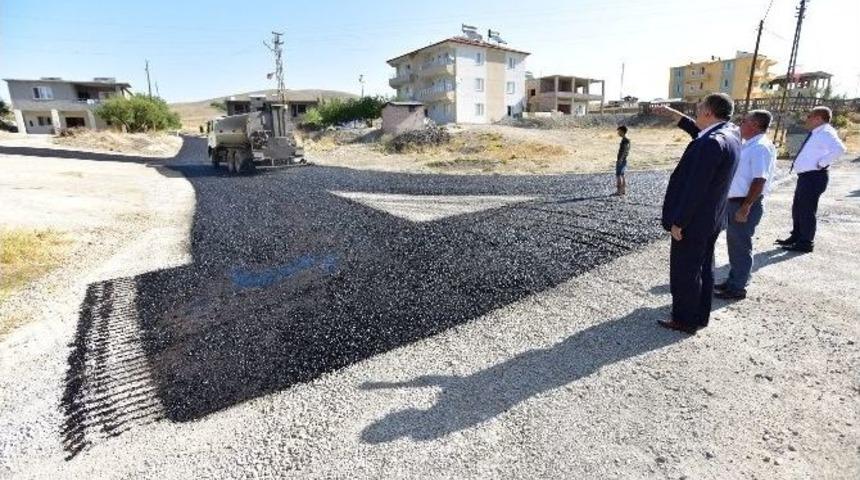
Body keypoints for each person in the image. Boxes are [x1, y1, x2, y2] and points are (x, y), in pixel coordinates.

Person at [653, 94, 741, 334]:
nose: (697, 112)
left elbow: (695, 189)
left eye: (699, 108)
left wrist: (679, 222)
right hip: (712, 218)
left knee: (685, 271)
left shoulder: (711, 143)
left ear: (708, 113)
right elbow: (699, 133)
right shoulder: (730, 133)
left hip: (694, 221)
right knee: (704, 267)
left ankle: (684, 319)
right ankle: (700, 315)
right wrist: (675, 115)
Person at [713, 110, 777, 300]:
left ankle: (737, 287)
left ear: (755, 125)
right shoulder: (751, 144)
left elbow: (760, 180)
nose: (740, 124)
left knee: (741, 246)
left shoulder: (760, 147)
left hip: (744, 203)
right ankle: (734, 281)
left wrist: (746, 206)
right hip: (737, 202)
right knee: (735, 245)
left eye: (744, 121)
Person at [776, 106, 847, 253]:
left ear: (819, 118)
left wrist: (821, 163)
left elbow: (840, 149)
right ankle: (796, 236)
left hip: (814, 177)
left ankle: (806, 242)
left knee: (807, 210)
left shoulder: (826, 132)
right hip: (806, 177)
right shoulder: (818, 132)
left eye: (809, 116)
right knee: (798, 208)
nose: (806, 119)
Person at [614, 126, 631, 195]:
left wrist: (620, 159)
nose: (618, 133)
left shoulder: (625, 140)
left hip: (621, 159)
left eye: (619, 131)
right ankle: (623, 190)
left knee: (618, 175)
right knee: (622, 174)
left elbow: (624, 151)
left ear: (622, 131)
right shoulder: (627, 140)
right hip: (624, 159)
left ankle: (619, 191)